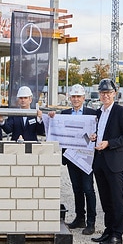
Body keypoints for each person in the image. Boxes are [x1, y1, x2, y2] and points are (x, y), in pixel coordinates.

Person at [89, 78, 123, 244]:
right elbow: (99, 132)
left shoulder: (120, 112)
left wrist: (109, 143)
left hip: (114, 161)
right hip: (100, 160)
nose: (105, 95)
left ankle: (117, 234)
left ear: (114, 94)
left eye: (108, 92)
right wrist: (94, 137)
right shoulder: (98, 113)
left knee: (116, 198)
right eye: (102, 93)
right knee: (106, 198)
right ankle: (108, 230)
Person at [48, 84, 98, 235]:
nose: (76, 99)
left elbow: (98, 131)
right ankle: (80, 218)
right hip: (71, 156)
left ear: (84, 98)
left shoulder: (93, 114)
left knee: (88, 189)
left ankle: (91, 222)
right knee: (76, 188)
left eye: (79, 97)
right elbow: (57, 129)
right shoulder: (64, 113)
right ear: (70, 98)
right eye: (73, 97)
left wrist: (95, 136)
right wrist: (52, 118)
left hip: (86, 157)